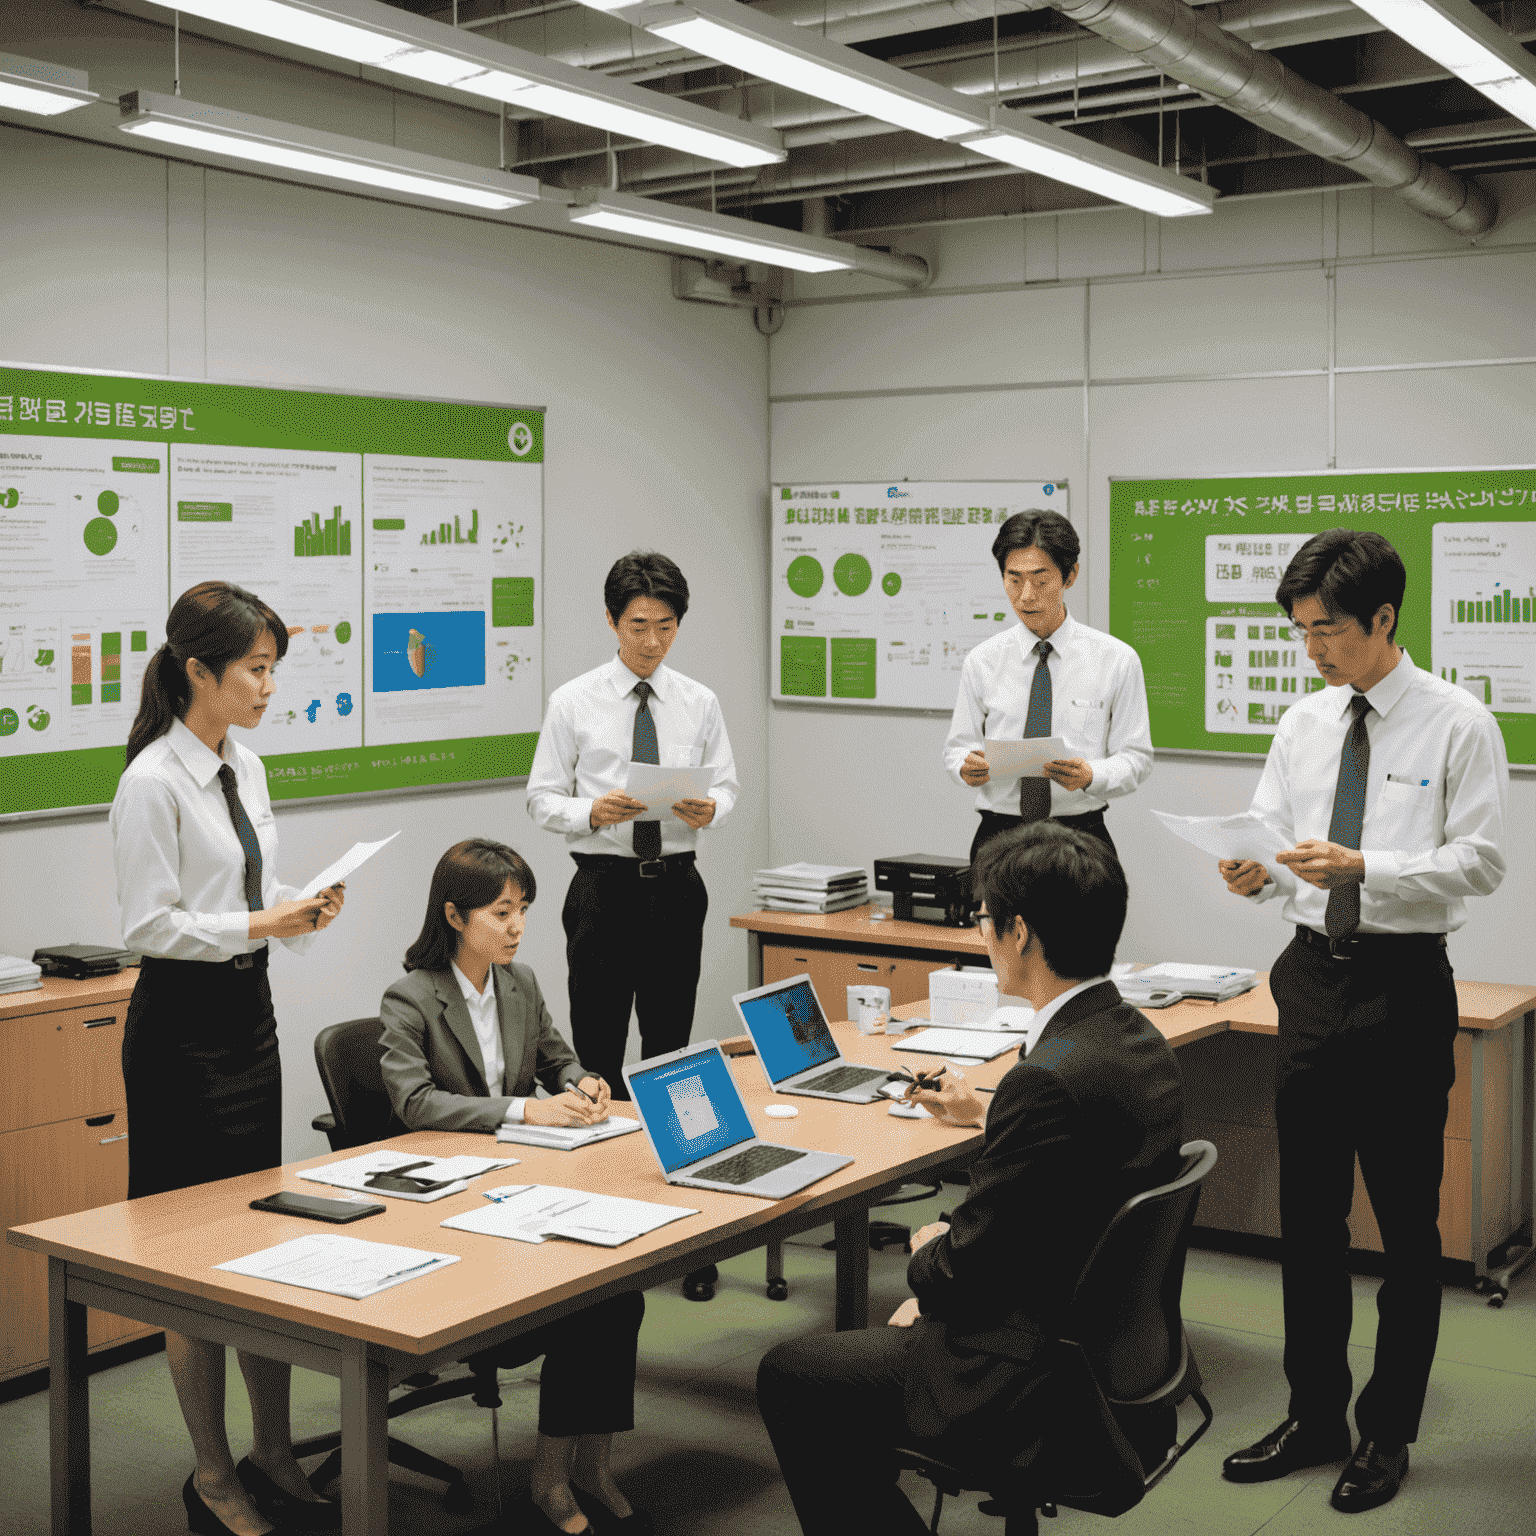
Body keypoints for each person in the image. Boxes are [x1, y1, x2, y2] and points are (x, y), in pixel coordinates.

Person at [755, 822, 1185, 1536]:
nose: (981, 933)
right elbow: (1077, 1180)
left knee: (793, 1375)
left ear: (1018, 932)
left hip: (1021, 1371)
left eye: (983, 917)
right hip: (1113, 1353)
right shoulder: (1134, 1039)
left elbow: (968, 1269)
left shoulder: (1044, 1080)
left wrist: (929, 1255)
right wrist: (984, 1123)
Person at [1216, 528, 1508, 1514]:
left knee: (1406, 1232)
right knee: (1307, 1219)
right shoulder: (1303, 723)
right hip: (1308, 978)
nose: (1314, 651)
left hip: (1401, 986)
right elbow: (1273, 841)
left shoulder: (1458, 723)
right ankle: (1315, 1416)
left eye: (1328, 631)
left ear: (1385, 619)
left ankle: (1388, 1433)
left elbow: (1481, 865)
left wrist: (1368, 868)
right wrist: (1254, 874)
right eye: (1300, 632)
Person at [110, 581, 345, 1536]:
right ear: (197, 671)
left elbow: (247, 887)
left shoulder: (242, 763)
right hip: (178, 1033)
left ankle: (276, 1452)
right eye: (254, 669)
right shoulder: (152, 782)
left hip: (250, 1014)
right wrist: (262, 919)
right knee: (192, 1261)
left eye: (272, 670)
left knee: (261, 1245)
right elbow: (149, 925)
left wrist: (302, 905)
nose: (266, 687)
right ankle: (212, 1473)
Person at [378, 838, 648, 1536]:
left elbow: (558, 1058)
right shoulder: (410, 998)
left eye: (522, 909)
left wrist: (581, 1083)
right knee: (588, 1300)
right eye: (501, 912)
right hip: (452, 1205)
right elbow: (414, 1102)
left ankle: (592, 1464)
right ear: (455, 915)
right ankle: (550, 1477)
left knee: (619, 1289)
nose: (517, 926)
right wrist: (524, 1108)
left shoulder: (520, 982)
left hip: (524, 1187)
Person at [525, 550, 739, 1097]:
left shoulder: (699, 701)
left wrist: (711, 808)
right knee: (597, 1048)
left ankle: (664, 1165)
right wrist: (590, 811)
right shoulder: (573, 701)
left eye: (665, 628)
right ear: (611, 619)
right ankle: (601, 1167)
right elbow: (541, 798)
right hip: (603, 888)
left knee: (670, 1046)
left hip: (677, 887)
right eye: (637, 626)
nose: (651, 643)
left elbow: (727, 785)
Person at [944, 509, 1152, 865]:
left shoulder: (1116, 659)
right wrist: (966, 766)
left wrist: (1092, 775)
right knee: (993, 923)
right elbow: (958, 748)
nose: (1026, 596)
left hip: (1080, 834)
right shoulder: (983, 660)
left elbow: (1137, 758)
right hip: (999, 834)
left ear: (1070, 576)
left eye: (1040, 581)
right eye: (1014, 580)